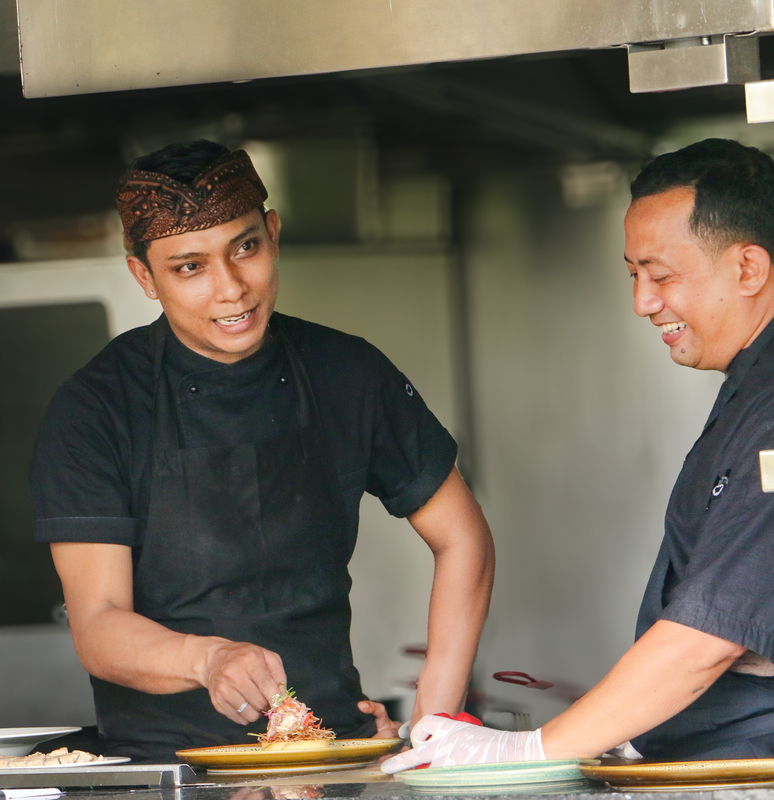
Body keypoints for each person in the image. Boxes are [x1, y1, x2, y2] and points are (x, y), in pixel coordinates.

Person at [383, 138, 774, 779]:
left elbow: (707, 639)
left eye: (661, 276)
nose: (642, 301)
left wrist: (533, 748)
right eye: (633, 276)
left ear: (749, 268)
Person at [31, 140, 495, 762]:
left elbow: (463, 537)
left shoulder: (348, 373)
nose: (231, 291)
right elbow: (99, 625)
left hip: (328, 753)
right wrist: (209, 658)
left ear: (273, 235)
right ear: (144, 276)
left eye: (244, 248)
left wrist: (433, 722)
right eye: (189, 267)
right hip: (165, 766)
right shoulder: (97, 408)